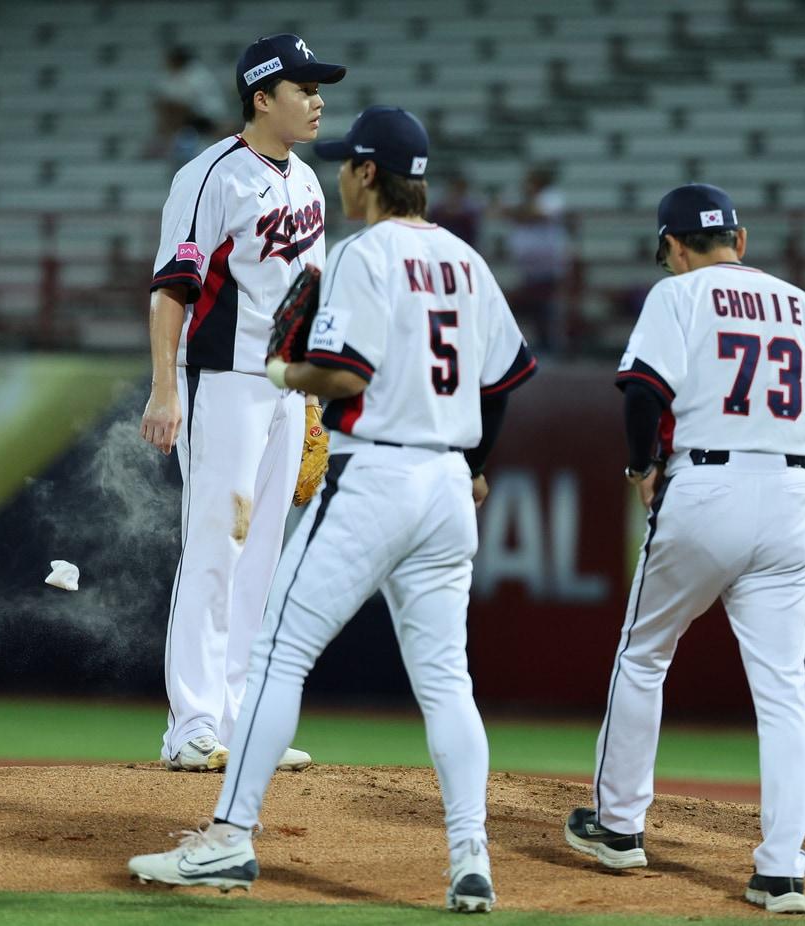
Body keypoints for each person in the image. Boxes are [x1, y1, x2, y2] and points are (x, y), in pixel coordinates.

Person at [129, 105, 537, 913]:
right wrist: (480, 465)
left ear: (363, 175)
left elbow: (342, 375)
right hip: (451, 490)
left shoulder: (359, 255)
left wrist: (289, 380)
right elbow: (506, 378)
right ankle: (470, 859)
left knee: (281, 648)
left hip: (378, 476)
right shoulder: (465, 260)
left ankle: (230, 840)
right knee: (449, 683)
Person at [563, 184, 805, 915]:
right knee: (781, 692)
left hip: (707, 485)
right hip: (792, 499)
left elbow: (641, 392)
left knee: (644, 652)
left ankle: (619, 825)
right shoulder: (803, 305)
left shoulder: (680, 296)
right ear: (742, 238)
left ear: (673, 246)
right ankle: (782, 870)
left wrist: (642, 468)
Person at [139, 34, 346, 774]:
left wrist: (314, 400)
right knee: (215, 548)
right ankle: (191, 723)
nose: (319, 99)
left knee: (262, 559)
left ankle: (239, 719)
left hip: (286, 392)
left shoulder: (309, 184)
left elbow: (307, 300)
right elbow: (172, 287)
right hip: (222, 383)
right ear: (262, 97)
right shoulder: (211, 174)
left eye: (319, 87)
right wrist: (166, 387)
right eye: (303, 87)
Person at [502, 167, 570, 355]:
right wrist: (522, 211)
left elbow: (537, 214)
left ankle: (553, 344)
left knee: (548, 306)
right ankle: (540, 342)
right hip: (527, 266)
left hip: (549, 264)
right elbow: (504, 211)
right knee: (532, 305)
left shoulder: (552, 197)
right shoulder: (521, 197)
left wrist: (522, 212)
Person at [149, 46, 232, 164]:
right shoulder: (182, 74)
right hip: (195, 121)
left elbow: (180, 104)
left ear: (177, 61)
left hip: (206, 119)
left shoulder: (195, 75)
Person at [430, 171, 485, 246]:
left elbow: (475, 217)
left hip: (465, 239)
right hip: (443, 239)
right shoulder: (441, 202)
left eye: (459, 187)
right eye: (454, 187)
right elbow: (433, 214)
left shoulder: (471, 203)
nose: (456, 190)